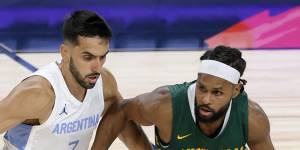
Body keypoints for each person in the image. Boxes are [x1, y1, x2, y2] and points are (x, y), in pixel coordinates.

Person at [0, 10, 151, 150]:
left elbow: (122, 121)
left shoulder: (105, 83)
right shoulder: (38, 93)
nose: (97, 67)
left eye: (103, 56)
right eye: (88, 57)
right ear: (65, 52)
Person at [92, 46, 275, 150]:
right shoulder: (165, 105)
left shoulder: (252, 118)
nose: (205, 99)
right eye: (202, 88)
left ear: (236, 90)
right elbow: (120, 110)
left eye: (217, 93)